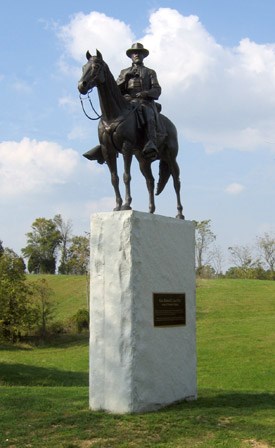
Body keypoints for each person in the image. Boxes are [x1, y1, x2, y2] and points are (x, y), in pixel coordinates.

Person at [116, 42, 161, 159]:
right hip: (127, 102)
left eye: (139, 53)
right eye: (134, 53)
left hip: (144, 102)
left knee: (149, 115)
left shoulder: (150, 72)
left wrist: (145, 93)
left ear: (143, 56)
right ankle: (104, 144)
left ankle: (151, 142)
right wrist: (126, 77)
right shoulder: (124, 72)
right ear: (131, 56)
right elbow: (115, 90)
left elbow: (157, 89)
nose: (136, 55)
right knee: (111, 114)